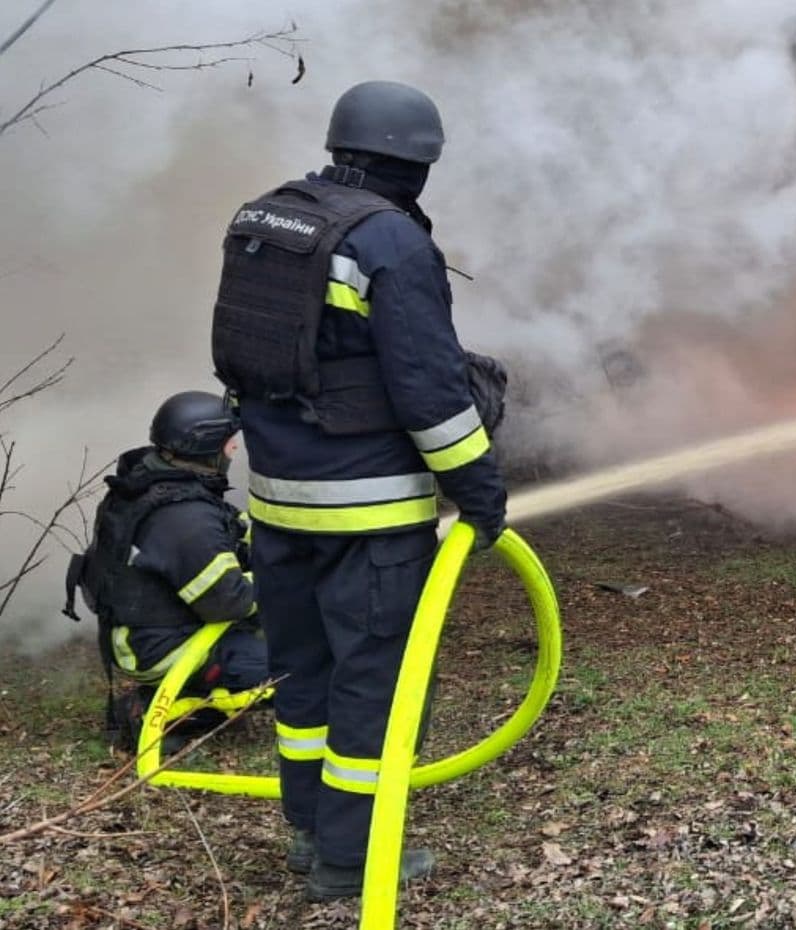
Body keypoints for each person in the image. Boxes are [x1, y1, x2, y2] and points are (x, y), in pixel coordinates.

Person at [210, 80, 508, 901]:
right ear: (417, 162)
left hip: (277, 507)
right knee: (373, 685)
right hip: (370, 517)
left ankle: (311, 833)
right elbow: (431, 394)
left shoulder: (267, 219)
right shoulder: (390, 243)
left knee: (302, 676)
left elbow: (244, 359)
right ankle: (354, 859)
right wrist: (481, 494)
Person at [65, 391, 267, 748]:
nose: (234, 448)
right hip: (163, 648)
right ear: (207, 446)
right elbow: (228, 601)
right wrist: (286, 581)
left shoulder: (153, 484)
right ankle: (160, 711)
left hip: (142, 634)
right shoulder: (185, 518)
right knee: (294, 668)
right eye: (229, 441)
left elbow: (229, 533)